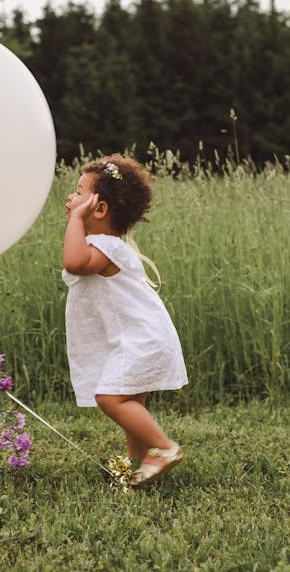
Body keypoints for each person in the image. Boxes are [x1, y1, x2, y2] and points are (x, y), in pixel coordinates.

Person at [61, 153, 188, 487]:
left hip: (141, 339)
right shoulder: (105, 244)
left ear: (99, 209)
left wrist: (75, 220)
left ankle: (164, 448)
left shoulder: (105, 246)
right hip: (136, 336)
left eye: (78, 193)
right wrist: (79, 219)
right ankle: (136, 465)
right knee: (130, 403)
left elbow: (74, 263)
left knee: (110, 397)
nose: (69, 198)